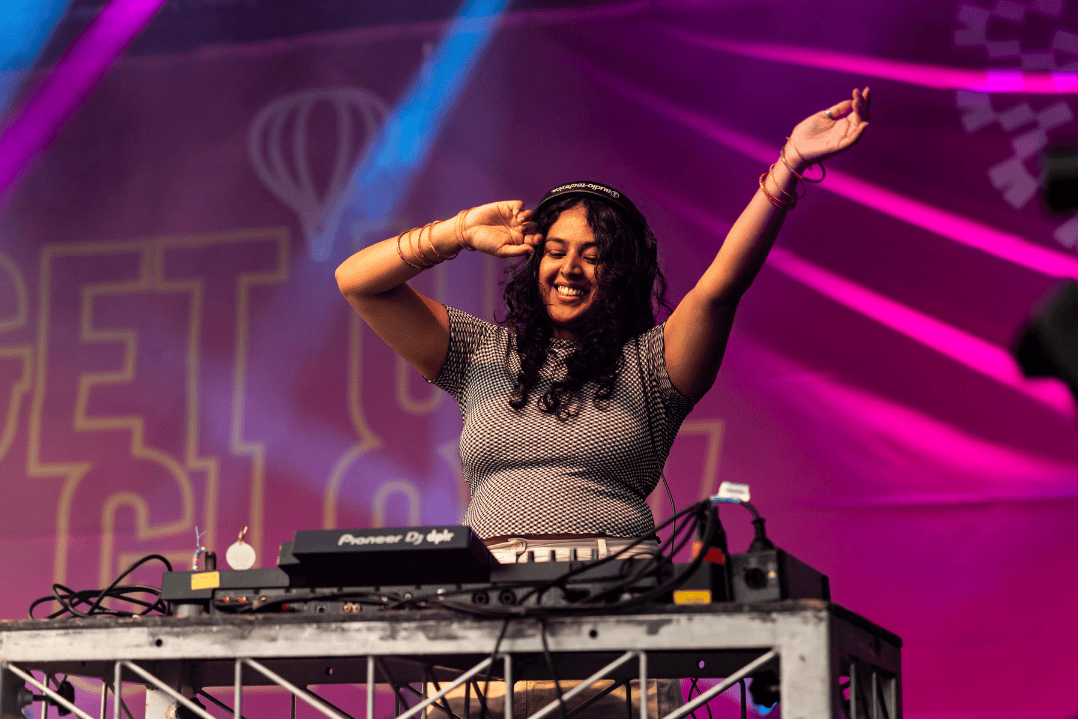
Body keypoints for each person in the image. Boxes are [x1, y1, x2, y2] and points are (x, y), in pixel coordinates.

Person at [335, 87, 870, 718]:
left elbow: (722, 286)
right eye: (555, 252)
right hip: (478, 620)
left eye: (594, 257)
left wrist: (787, 167)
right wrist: (455, 234)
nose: (569, 269)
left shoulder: (650, 366)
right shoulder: (484, 355)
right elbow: (357, 283)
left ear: (622, 275)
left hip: (622, 621)